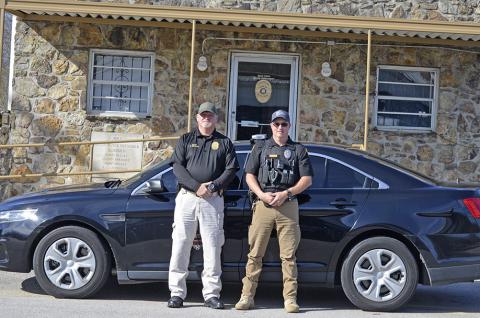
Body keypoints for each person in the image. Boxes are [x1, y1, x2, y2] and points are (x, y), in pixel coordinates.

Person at [235, 110, 313, 313]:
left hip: (287, 205)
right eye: (276, 124)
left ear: (289, 126)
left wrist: (287, 193)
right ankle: (247, 296)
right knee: (255, 254)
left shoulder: (298, 150)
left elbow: (307, 179)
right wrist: (261, 194)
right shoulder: (260, 147)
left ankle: (290, 299)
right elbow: (249, 175)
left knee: (288, 257)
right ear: (271, 126)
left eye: (284, 124)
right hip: (263, 204)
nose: (280, 127)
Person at [167, 102, 239, 309]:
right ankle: (177, 293)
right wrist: (196, 186)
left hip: (213, 199)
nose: (206, 118)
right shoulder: (186, 140)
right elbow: (177, 167)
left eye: (210, 116)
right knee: (180, 243)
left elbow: (231, 169)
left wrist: (213, 186)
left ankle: (211, 294)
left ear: (216, 119)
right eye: (203, 115)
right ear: (197, 118)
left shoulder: (224, 142)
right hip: (187, 198)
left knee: (213, 246)